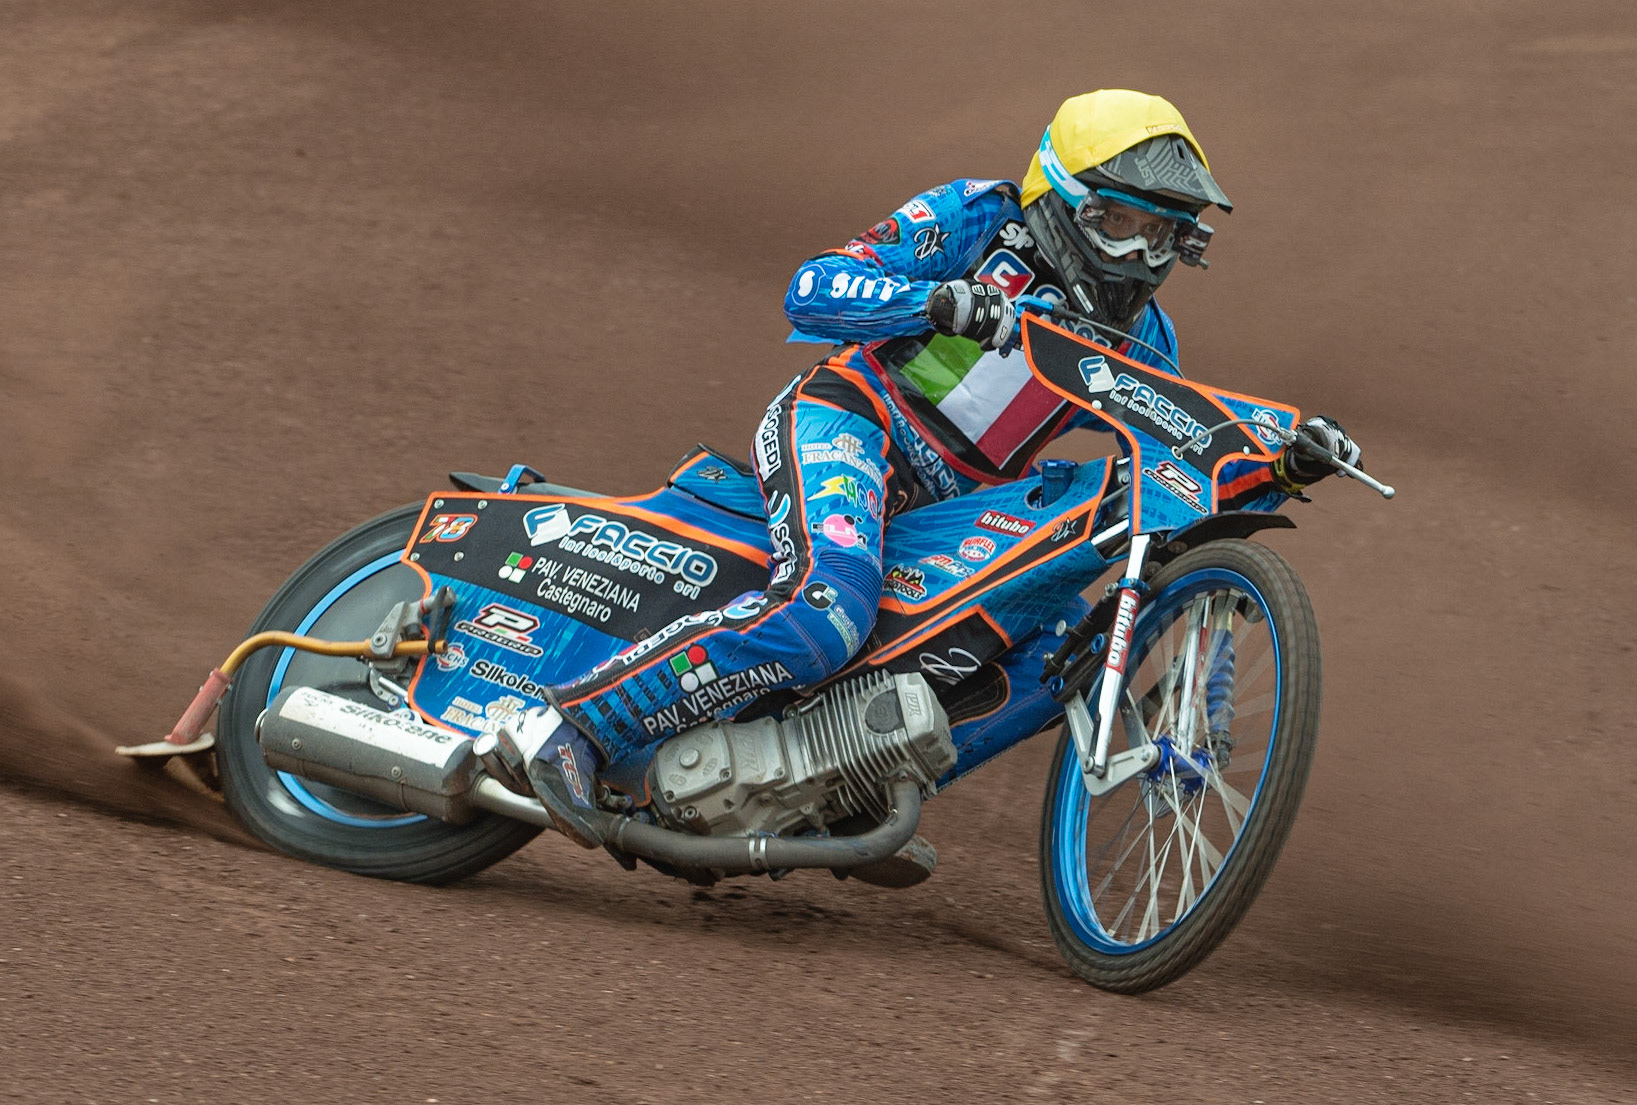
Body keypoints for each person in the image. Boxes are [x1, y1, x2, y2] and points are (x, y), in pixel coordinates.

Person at [517, 89, 1361, 848]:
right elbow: (812, 286)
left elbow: (1177, 476)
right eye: (1118, 225)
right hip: (851, 420)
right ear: (1060, 199)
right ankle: (572, 729)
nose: (1139, 260)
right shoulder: (974, 216)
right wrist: (930, 301)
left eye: (1162, 237)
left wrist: (1281, 465)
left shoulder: (1148, 342)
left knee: (1061, 645)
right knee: (829, 611)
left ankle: (838, 790)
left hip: (955, 503)